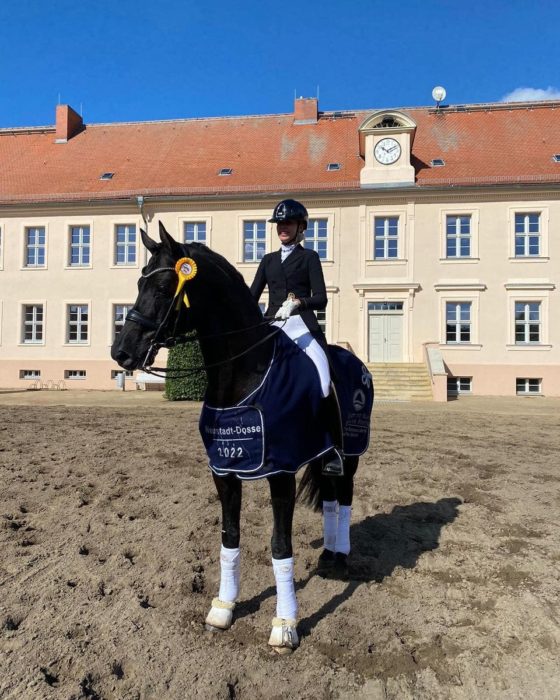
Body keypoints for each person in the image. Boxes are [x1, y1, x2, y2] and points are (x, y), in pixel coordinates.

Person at [250, 199, 344, 476]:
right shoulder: (267, 261)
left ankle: (332, 449)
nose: (283, 227)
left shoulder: (309, 258)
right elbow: (251, 296)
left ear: (300, 227)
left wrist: (300, 303)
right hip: (273, 324)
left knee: (323, 374)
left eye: (288, 223)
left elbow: (322, 299)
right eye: (280, 223)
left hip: (301, 325)